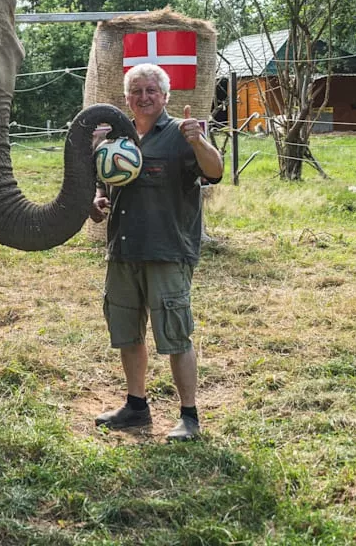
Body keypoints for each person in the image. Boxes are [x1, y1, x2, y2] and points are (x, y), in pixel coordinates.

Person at [89, 62, 223, 440]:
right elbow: (103, 186)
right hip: (123, 252)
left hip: (167, 252)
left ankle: (190, 417)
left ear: (165, 96)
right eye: (137, 91)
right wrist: (98, 200)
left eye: (151, 90)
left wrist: (198, 141)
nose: (144, 97)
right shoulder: (118, 139)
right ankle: (136, 407)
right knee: (128, 333)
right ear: (127, 98)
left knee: (175, 337)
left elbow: (215, 172)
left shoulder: (181, 134)